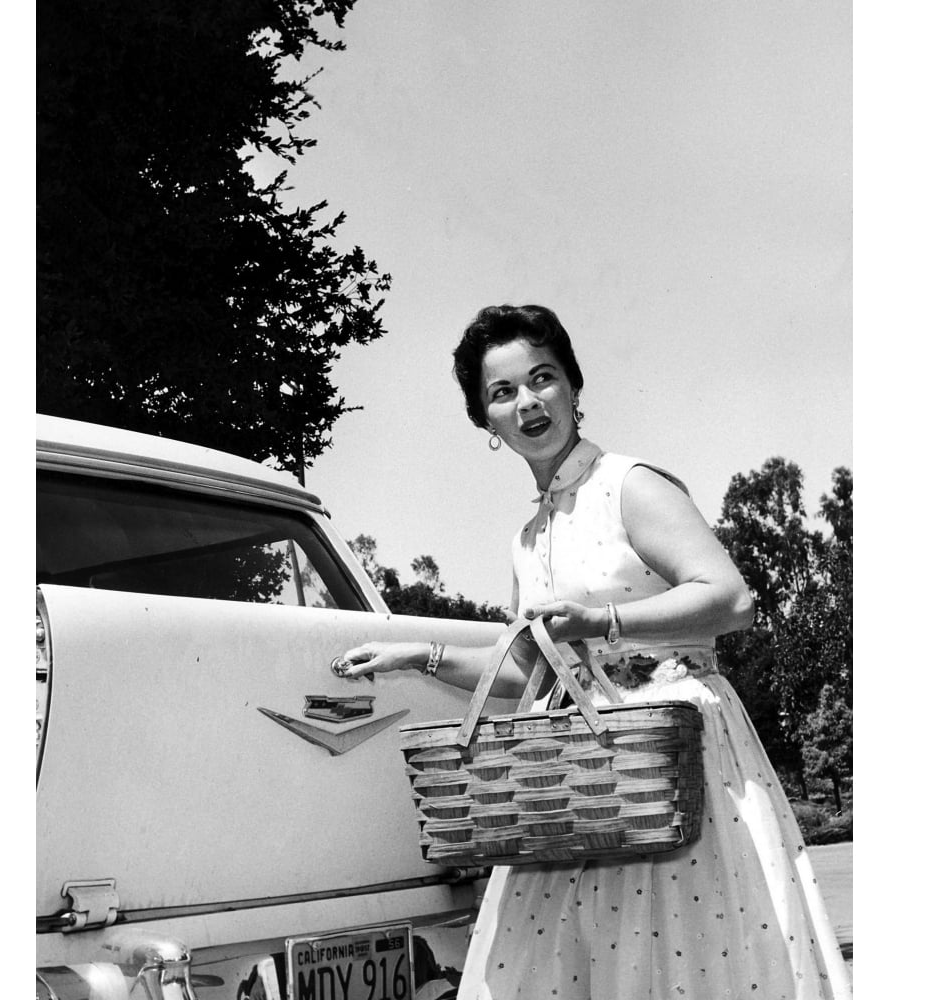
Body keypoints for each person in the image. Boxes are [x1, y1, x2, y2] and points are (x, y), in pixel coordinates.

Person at [340, 304, 851, 999]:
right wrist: (420, 656)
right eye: (502, 393)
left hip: (674, 763)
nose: (527, 403)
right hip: (588, 781)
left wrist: (601, 620)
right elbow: (527, 670)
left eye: (542, 378)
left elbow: (731, 599)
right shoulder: (528, 536)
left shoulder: (629, 484)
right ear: (484, 422)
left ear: (574, 388)